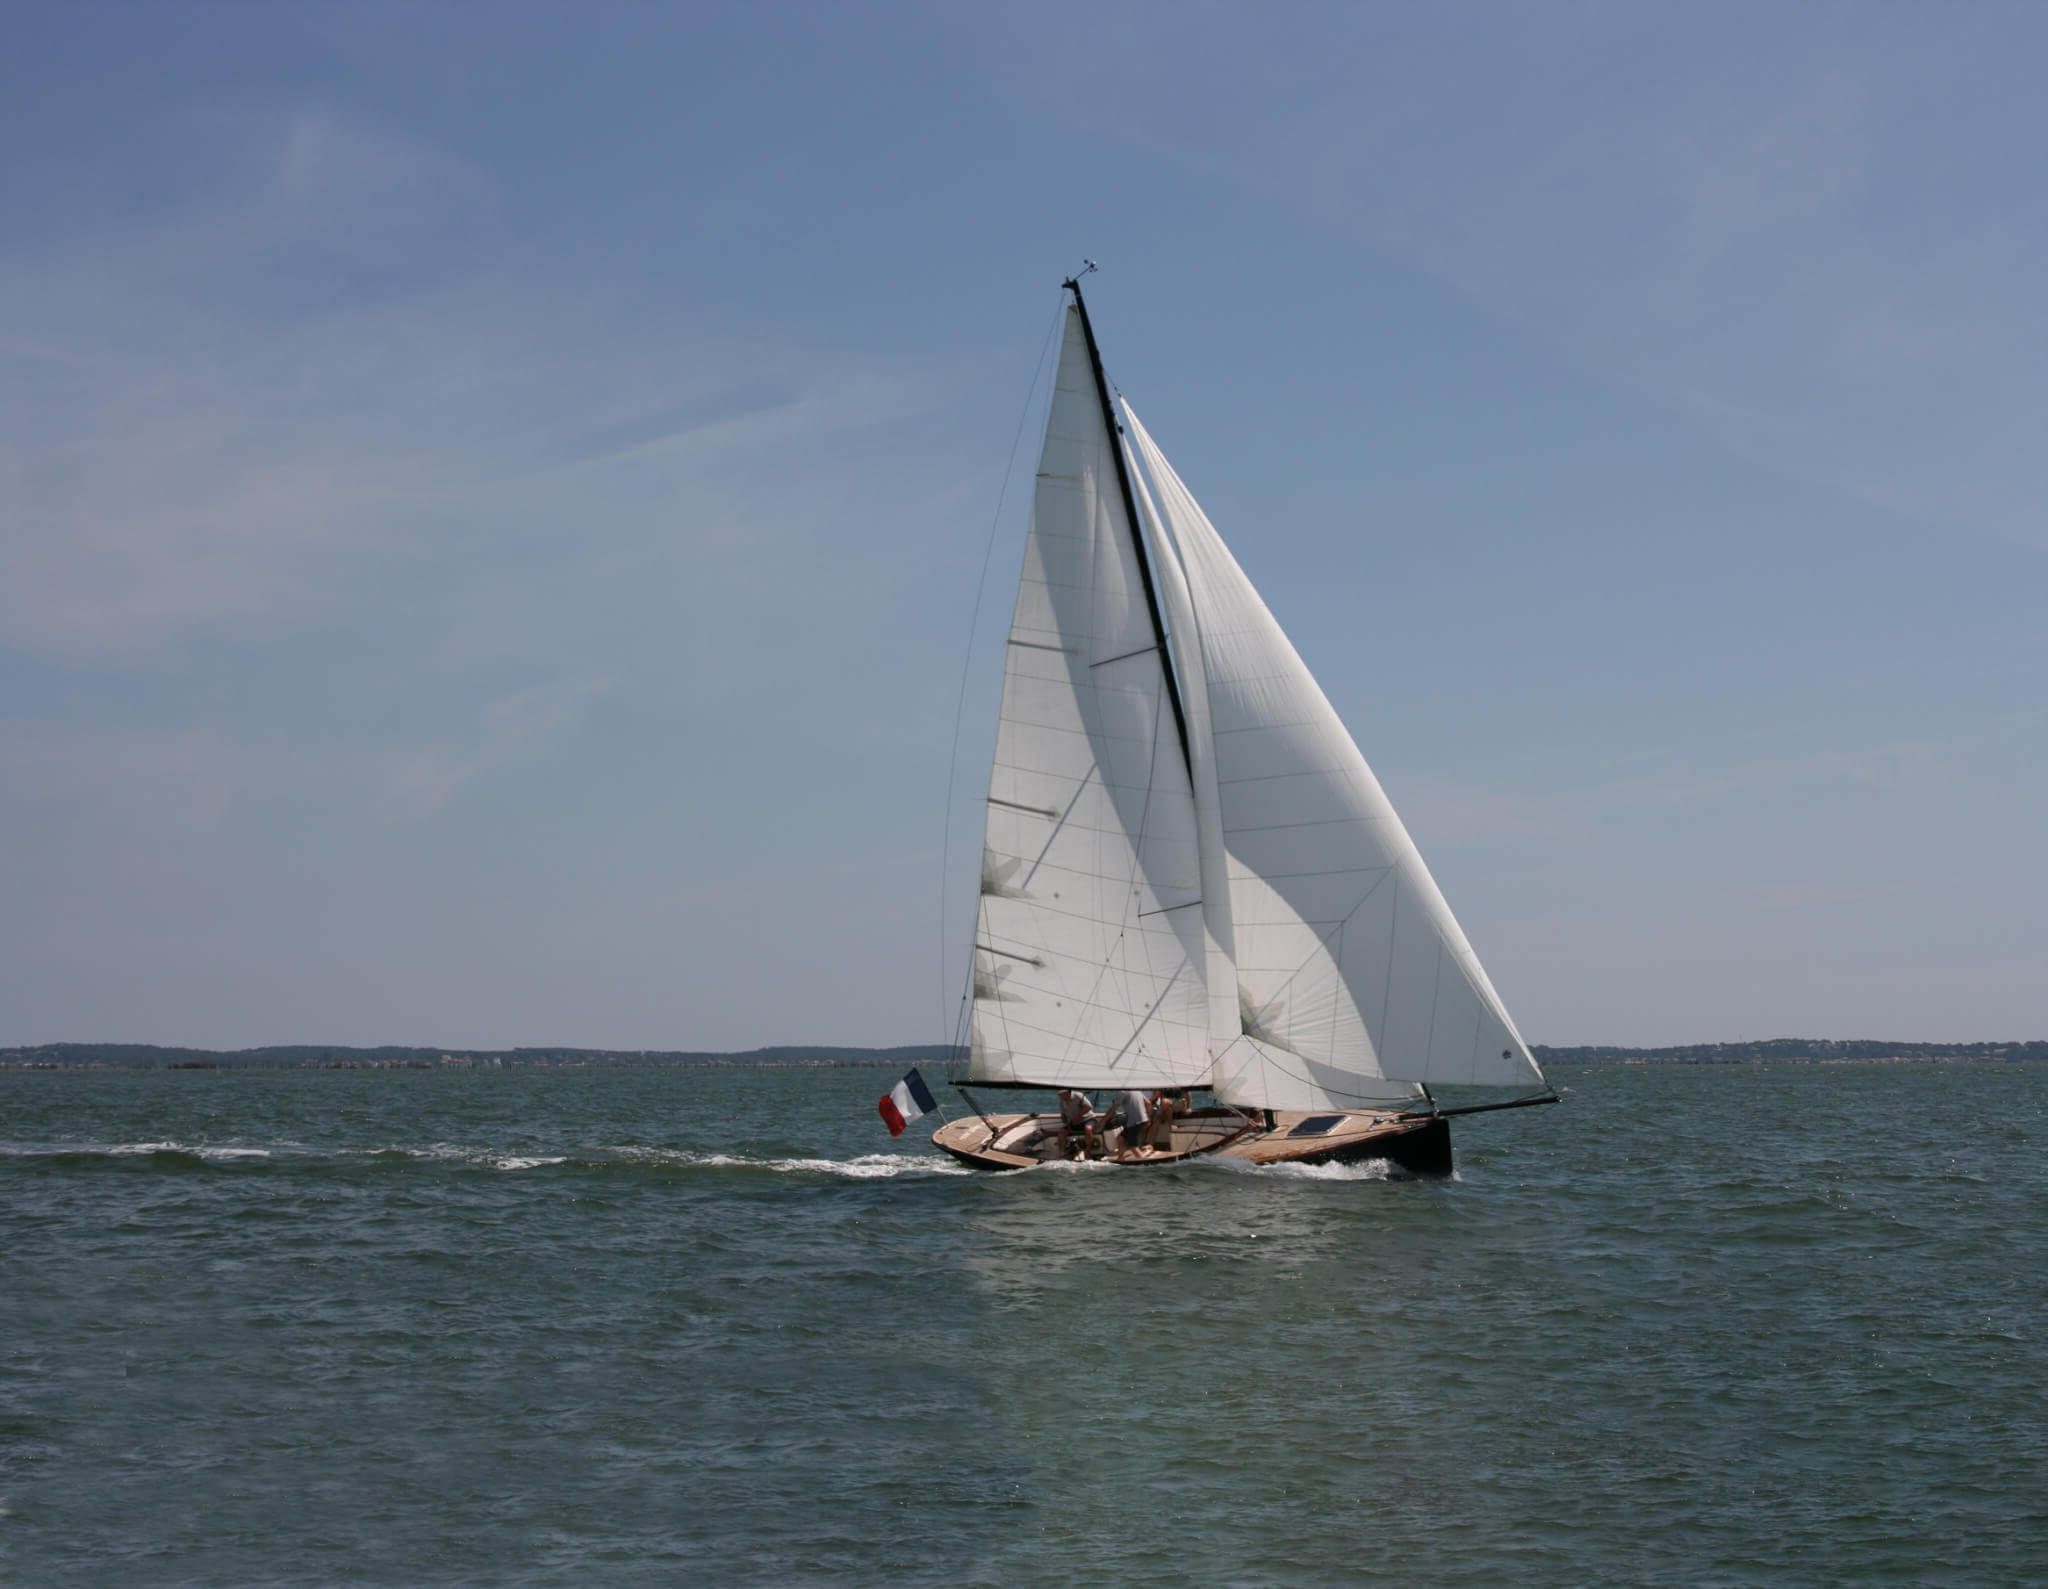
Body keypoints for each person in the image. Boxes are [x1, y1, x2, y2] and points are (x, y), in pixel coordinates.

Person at [1056, 1088, 1096, 1159]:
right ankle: (1062, 1153)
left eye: (1062, 1095)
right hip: (1073, 1122)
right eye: (1059, 1095)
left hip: (1088, 1119)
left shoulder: (1078, 1095)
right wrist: (1064, 1119)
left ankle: (1088, 1151)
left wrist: (1077, 1117)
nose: (1060, 1096)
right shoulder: (1062, 1100)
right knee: (1061, 1132)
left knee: (1088, 1129)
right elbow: (1063, 1114)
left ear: (1068, 1093)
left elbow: (1089, 1107)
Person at [1117, 1088, 1152, 1154]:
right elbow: (1148, 1103)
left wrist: (1103, 1121)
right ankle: (1120, 1158)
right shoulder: (1136, 1090)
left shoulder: (1123, 1092)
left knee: (1132, 1147)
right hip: (1142, 1120)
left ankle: (1146, 1154)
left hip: (1135, 1122)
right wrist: (1147, 1117)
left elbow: (1113, 1108)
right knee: (1120, 1138)